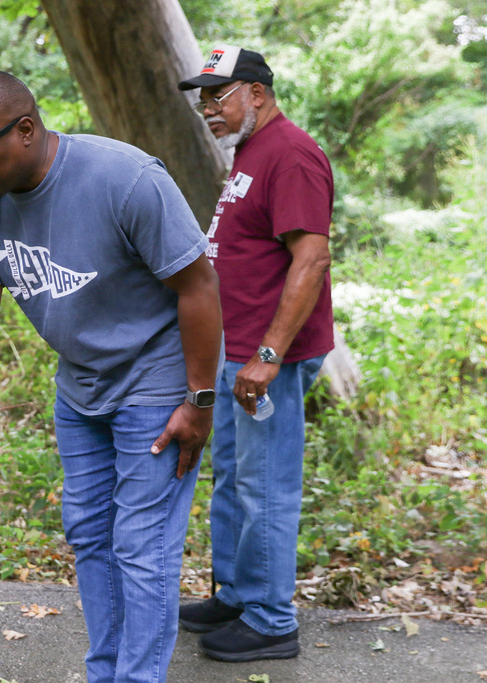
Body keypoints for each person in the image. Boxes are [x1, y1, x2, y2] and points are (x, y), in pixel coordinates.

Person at [0, 71, 223, 683]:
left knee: (140, 541)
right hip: (81, 387)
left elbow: (198, 287)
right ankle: (107, 671)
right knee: (90, 534)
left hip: (158, 377)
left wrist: (200, 399)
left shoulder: (124, 179)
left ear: (25, 130)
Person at [177, 46, 334, 662]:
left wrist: (268, 355)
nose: (207, 108)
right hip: (235, 348)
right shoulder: (252, 151)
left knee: (265, 487)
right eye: (202, 99)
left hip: (268, 357)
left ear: (257, 94)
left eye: (219, 95)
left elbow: (311, 258)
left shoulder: (292, 153)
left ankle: (272, 620)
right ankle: (239, 595)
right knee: (235, 481)